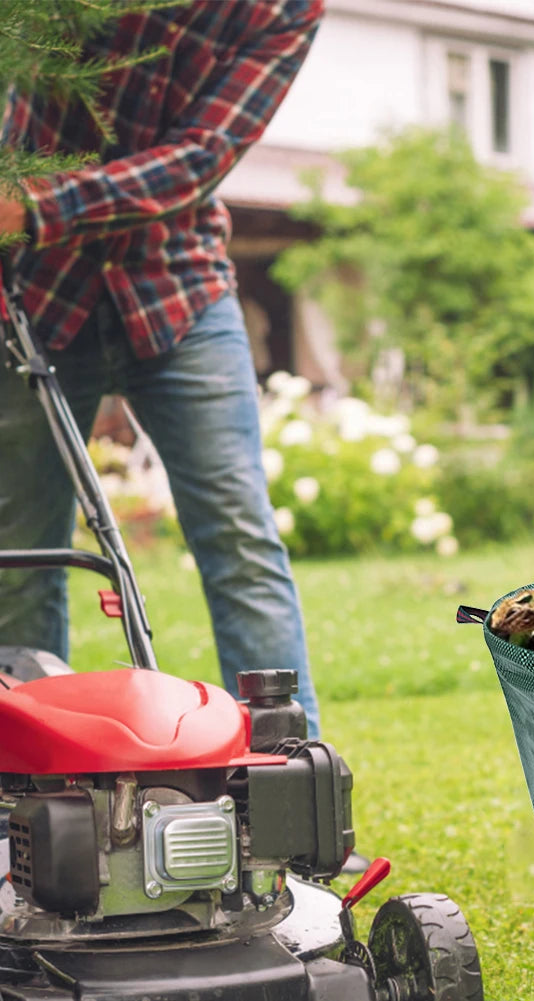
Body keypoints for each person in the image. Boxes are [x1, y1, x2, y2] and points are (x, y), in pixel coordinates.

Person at [0, 0, 324, 737]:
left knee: (241, 542)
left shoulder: (281, 9)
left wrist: (36, 203)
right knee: (21, 559)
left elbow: (199, 158)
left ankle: (287, 793)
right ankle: (27, 806)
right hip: (37, 290)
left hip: (177, 288)